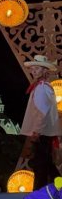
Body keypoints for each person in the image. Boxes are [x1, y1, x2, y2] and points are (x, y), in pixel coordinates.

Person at [20, 54, 62, 189]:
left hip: (41, 133)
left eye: (36, 68)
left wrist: (36, 132)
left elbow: (41, 112)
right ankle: (49, 189)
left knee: (41, 165)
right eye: (33, 68)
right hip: (44, 133)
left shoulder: (42, 88)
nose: (33, 71)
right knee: (45, 164)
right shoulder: (43, 87)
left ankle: (38, 192)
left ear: (44, 71)